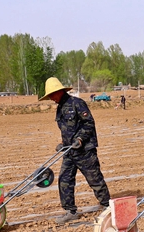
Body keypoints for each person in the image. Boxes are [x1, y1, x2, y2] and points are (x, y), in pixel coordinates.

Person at [40, 77, 111, 223]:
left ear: (60, 91)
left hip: (84, 150)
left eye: (53, 95)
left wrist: (80, 139)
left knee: (95, 179)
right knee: (65, 180)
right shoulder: (60, 108)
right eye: (50, 96)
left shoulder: (77, 103)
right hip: (70, 151)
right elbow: (67, 130)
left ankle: (107, 208)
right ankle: (70, 211)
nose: (52, 98)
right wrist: (63, 143)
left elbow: (88, 123)